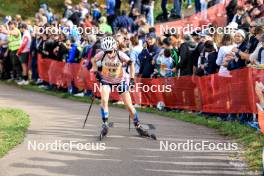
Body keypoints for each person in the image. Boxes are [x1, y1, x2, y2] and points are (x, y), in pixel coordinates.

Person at [91, 36, 152, 138]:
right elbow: (94, 60)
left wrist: (132, 79)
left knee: (129, 106)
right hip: (106, 81)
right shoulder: (102, 54)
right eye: (106, 51)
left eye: (110, 51)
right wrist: (96, 71)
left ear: (114, 48)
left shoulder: (120, 54)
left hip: (120, 82)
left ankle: (138, 125)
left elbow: (131, 63)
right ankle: (105, 124)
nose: (109, 53)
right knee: (104, 100)